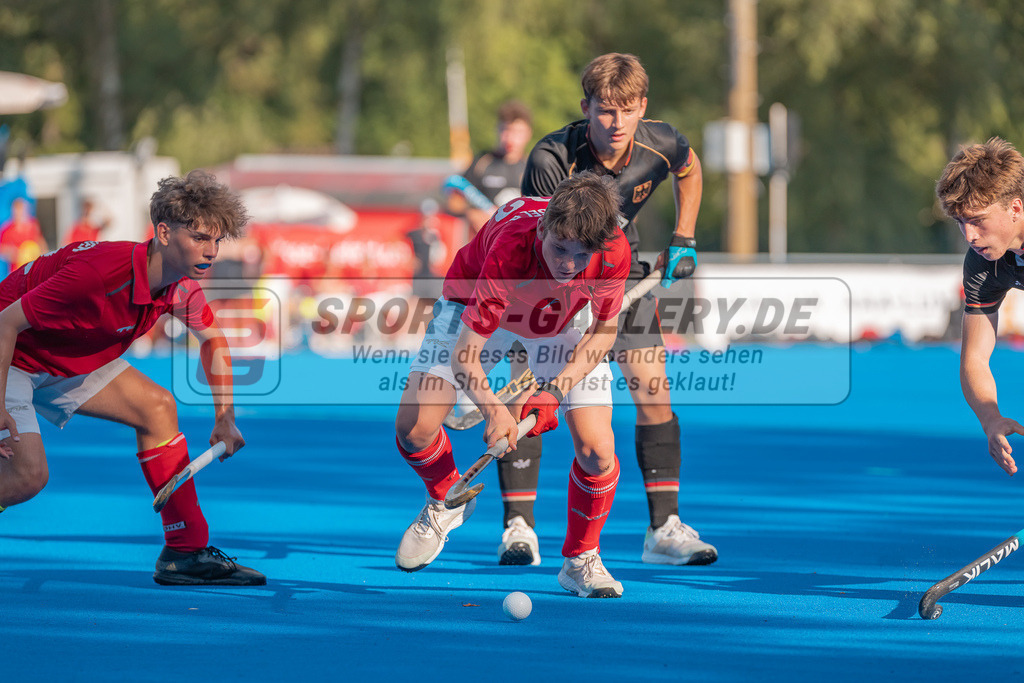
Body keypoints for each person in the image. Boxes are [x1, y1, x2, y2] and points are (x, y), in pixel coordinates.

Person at [494, 52, 715, 568]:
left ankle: (663, 530)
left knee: (653, 393)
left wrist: (684, 234)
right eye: (604, 111)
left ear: (643, 108)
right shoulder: (551, 158)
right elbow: (551, 245)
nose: (615, 124)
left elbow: (690, 168)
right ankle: (518, 527)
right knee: (532, 394)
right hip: (553, 279)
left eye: (626, 110)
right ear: (586, 108)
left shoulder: (661, 143)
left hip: (621, 270)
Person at [0, 169, 265, 586]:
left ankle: (185, 553)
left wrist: (224, 417)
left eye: (217, 240)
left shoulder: (180, 286)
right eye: (199, 237)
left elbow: (213, 342)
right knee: (27, 476)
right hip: (10, 354)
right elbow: (4, 324)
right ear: (163, 232)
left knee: (156, 407)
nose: (211, 250)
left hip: (64, 357)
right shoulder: (98, 273)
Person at [394, 171, 632, 597]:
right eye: (560, 249)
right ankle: (450, 495)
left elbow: (604, 332)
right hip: (476, 304)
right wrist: (496, 411)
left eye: (582, 257)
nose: (568, 265)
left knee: (598, 452)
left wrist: (554, 391)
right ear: (543, 227)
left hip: (564, 322)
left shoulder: (613, 249)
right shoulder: (511, 246)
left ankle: (580, 559)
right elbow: (466, 353)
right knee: (414, 430)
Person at [936, 136, 1024, 476]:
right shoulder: (983, 262)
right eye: (961, 223)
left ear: (1015, 208)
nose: (969, 236)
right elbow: (974, 357)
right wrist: (991, 418)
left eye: (977, 220)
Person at [443, 100, 533, 236]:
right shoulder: (481, 163)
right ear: (497, 129)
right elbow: (453, 202)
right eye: (505, 130)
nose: (510, 138)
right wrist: (472, 213)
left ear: (528, 134)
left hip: (521, 247)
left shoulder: (533, 167)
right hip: (485, 247)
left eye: (517, 132)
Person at [0, 197, 47, 273]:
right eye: (18, 210)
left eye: (23, 210)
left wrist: (43, 256)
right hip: (16, 271)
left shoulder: (33, 225)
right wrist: (12, 252)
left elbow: (41, 243)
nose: (20, 213)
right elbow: (2, 249)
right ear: (13, 211)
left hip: (33, 269)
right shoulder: (7, 229)